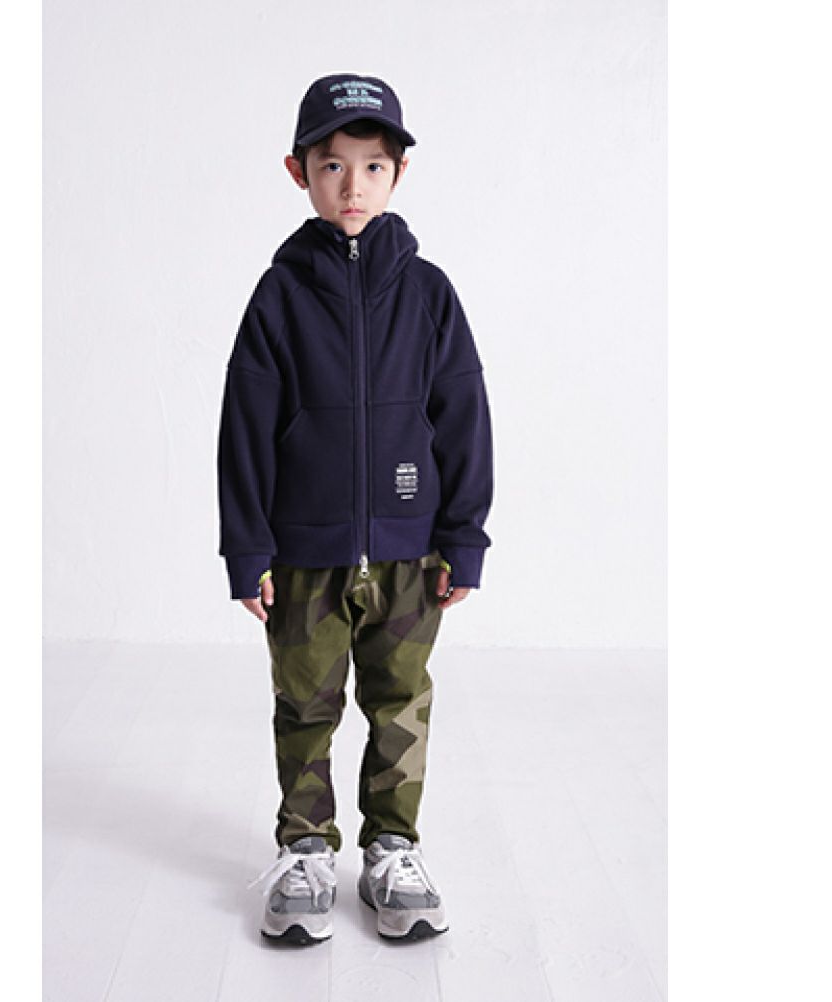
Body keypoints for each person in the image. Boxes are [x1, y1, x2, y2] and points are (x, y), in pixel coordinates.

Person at [217, 73, 493, 945]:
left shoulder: (429, 293)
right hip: (303, 556)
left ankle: (392, 850)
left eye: (373, 166)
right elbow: (245, 429)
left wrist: (463, 538)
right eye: (332, 165)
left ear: (398, 173)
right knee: (305, 705)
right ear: (298, 171)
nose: (352, 185)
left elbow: (463, 415)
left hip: (411, 555)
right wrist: (248, 549)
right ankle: (304, 850)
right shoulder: (279, 297)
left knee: (400, 702)